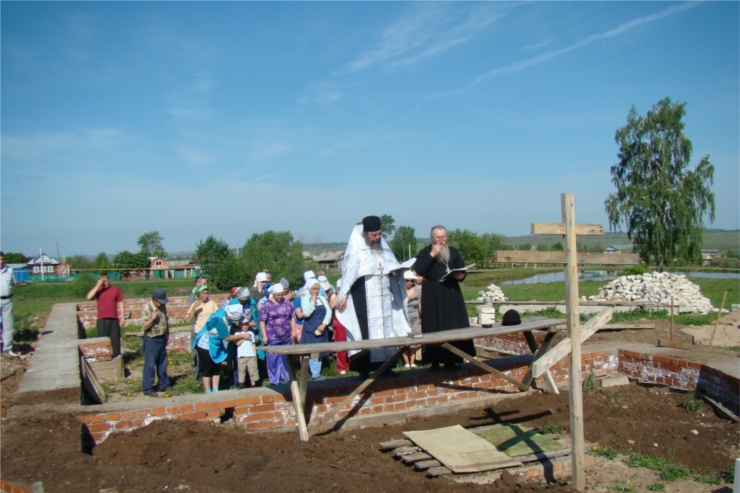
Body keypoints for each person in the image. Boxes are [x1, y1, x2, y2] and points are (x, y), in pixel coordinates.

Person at [336, 215, 411, 376]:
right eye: (373, 235)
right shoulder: (356, 250)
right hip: (363, 298)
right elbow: (348, 276)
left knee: (386, 330)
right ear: (365, 233)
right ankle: (364, 369)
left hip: (383, 298)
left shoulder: (383, 249)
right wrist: (343, 296)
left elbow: (390, 267)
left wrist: (396, 272)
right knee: (365, 333)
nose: (377, 238)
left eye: (379, 234)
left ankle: (386, 366)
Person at [415, 225, 474, 370]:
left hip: (451, 293)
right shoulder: (425, 252)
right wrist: (432, 254)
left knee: (453, 325)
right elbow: (419, 270)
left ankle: (452, 360)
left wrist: (461, 276)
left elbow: (461, 269)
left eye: (444, 237)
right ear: (432, 238)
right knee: (433, 326)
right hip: (433, 294)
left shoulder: (453, 251)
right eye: (438, 238)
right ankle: (434, 361)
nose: (441, 240)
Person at [192, 303, 251, 393]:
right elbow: (226, 337)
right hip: (205, 343)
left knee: (217, 366)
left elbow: (234, 323)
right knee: (208, 367)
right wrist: (242, 335)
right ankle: (208, 391)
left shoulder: (227, 313)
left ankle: (216, 389)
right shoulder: (219, 319)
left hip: (216, 343)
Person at [259, 284, 296, 385]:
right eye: (278, 295)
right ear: (273, 294)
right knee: (272, 359)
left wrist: (293, 330)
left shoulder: (286, 302)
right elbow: (262, 321)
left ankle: (286, 377)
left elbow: (292, 316)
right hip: (272, 336)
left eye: (281, 295)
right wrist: (264, 335)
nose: (280, 297)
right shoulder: (267, 305)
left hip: (286, 336)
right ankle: (275, 380)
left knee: (286, 358)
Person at [298, 278, 332, 381]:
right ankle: (315, 374)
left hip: (321, 328)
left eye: (317, 289)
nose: (316, 291)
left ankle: (317, 372)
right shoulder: (305, 299)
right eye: (314, 289)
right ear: (309, 289)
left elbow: (328, 311)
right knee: (313, 352)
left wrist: (324, 324)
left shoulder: (322, 298)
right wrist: (313, 300)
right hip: (310, 329)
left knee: (320, 352)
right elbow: (307, 313)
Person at [140, 288, 171, 397]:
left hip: (161, 337)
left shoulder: (162, 306)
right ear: (154, 299)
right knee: (150, 364)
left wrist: (167, 334)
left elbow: (165, 320)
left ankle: (163, 384)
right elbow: (144, 327)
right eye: (160, 302)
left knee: (162, 363)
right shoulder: (147, 308)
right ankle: (148, 388)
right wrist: (152, 319)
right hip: (151, 339)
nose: (162, 304)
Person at [86, 273, 124, 358]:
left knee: (115, 340)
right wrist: (98, 285)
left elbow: (121, 303)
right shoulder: (98, 290)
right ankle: (104, 357)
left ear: (109, 280)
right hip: (102, 319)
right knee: (102, 340)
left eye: (106, 281)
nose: (104, 283)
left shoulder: (115, 290)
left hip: (114, 319)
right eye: (102, 281)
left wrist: (122, 317)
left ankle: (117, 356)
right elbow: (89, 297)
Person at [402, 270, 421, 369]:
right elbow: (400, 304)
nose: (409, 282)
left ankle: (412, 362)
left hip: (414, 317)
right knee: (404, 341)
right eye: (407, 280)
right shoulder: (400, 290)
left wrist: (421, 317)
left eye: (411, 281)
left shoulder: (417, 290)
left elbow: (420, 304)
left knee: (414, 340)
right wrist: (411, 298)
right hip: (403, 319)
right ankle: (406, 362)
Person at [330, 279, 349, 375]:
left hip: (349, 321)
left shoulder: (349, 295)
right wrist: (340, 294)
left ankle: (351, 363)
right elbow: (332, 305)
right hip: (339, 322)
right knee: (341, 345)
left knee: (352, 344)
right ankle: (342, 366)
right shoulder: (335, 295)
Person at [0, 252, 16, 356]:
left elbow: (13, 283)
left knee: (8, 325)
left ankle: (8, 349)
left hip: (7, 300)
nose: (1, 261)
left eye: (2, 259)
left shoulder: (9, 270)